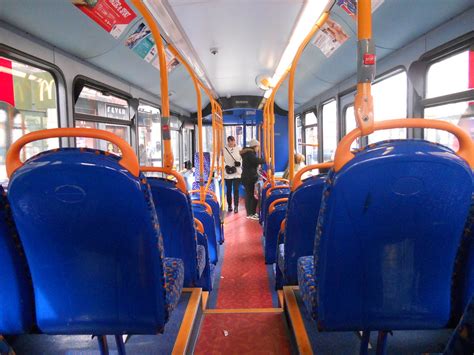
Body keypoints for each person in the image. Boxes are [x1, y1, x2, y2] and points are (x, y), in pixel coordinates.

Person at [240, 139, 265, 220]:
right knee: (250, 196)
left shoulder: (248, 153)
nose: (258, 149)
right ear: (255, 146)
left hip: (247, 176)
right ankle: (251, 213)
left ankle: (251, 213)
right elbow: (256, 161)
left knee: (250, 195)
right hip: (249, 177)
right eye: (258, 147)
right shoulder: (250, 154)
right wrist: (266, 160)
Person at [224, 136, 242, 213]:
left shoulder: (239, 149)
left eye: (232, 141)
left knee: (236, 190)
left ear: (234, 141)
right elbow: (221, 159)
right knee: (228, 190)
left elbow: (242, 159)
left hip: (237, 172)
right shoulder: (224, 149)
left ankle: (236, 206)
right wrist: (225, 166)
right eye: (229, 141)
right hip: (227, 172)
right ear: (227, 142)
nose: (231, 143)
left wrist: (239, 163)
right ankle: (229, 206)